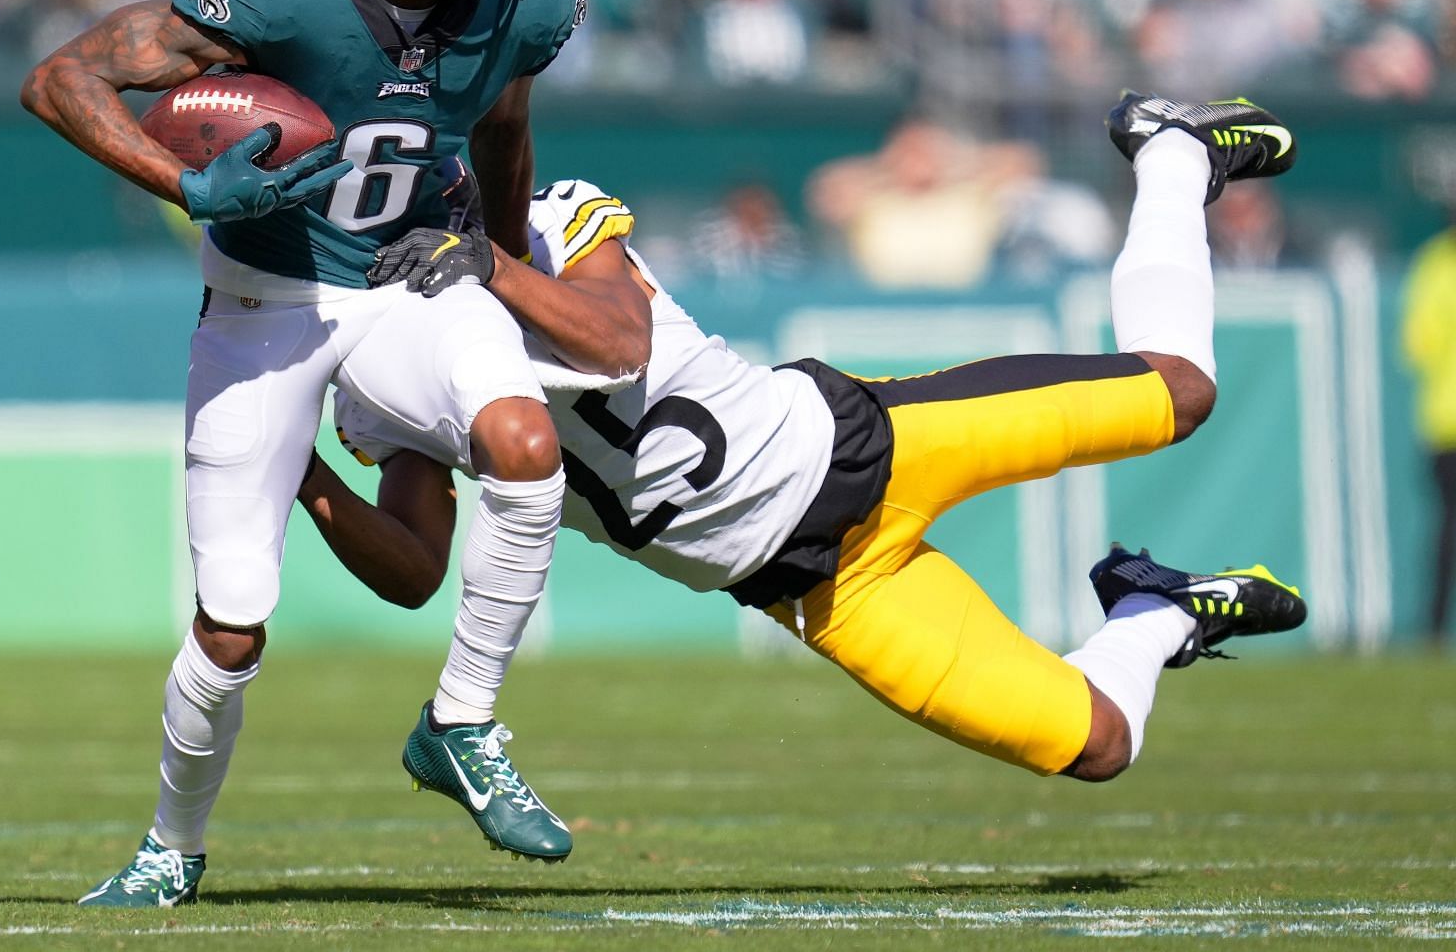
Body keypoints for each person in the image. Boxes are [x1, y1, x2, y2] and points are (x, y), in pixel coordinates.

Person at [302, 92, 1308, 789]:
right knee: (1099, 742)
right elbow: (414, 570)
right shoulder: (385, 372)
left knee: (1180, 392)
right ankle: (1159, 611)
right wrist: (298, 473)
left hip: (865, 445)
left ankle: (1173, 148)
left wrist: (489, 267)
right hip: (816, 590)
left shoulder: (561, 220)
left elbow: (616, 340)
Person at [20, 0, 588, 906]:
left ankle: (461, 722)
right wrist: (184, 187)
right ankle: (171, 846)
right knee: (231, 631)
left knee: (527, 452)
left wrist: (514, 260)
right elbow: (63, 78)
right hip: (266, 297)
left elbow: (502, 126)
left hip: (406, 279)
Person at [1401, 205, 1456, 643]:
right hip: (1445, 422)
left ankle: (1434, 628)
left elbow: (1417, 343)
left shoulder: (1434, 263)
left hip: (1444, 420)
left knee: (1447, 534)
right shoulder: (1434, 262)